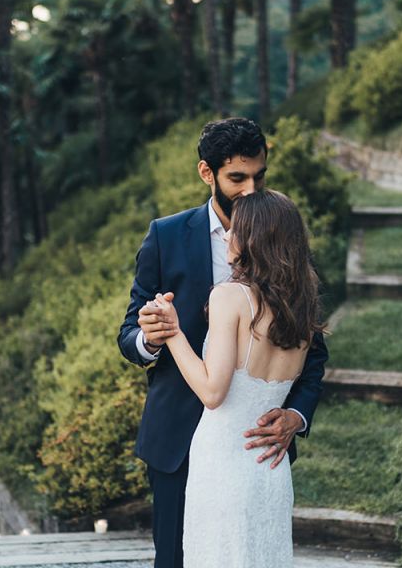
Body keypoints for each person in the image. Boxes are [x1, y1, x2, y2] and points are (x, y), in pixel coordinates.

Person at [117, 118, 328, 568]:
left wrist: (297, 414)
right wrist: (151, 338)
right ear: (206, 173)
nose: (250, 189)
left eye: (259, 176)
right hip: (177, 439)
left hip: (252, 446)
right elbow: (129, 332)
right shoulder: (166, 235)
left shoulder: (283, 241)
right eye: (237, 177)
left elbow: (313, 350)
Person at [154, 189, 324, 567]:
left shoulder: (229, 296)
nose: (227, 236)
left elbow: (213, 392)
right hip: (271, 469)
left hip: (222, 466)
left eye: (236, 230)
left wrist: (173, 333)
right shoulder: (302, 307)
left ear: (254, 240)